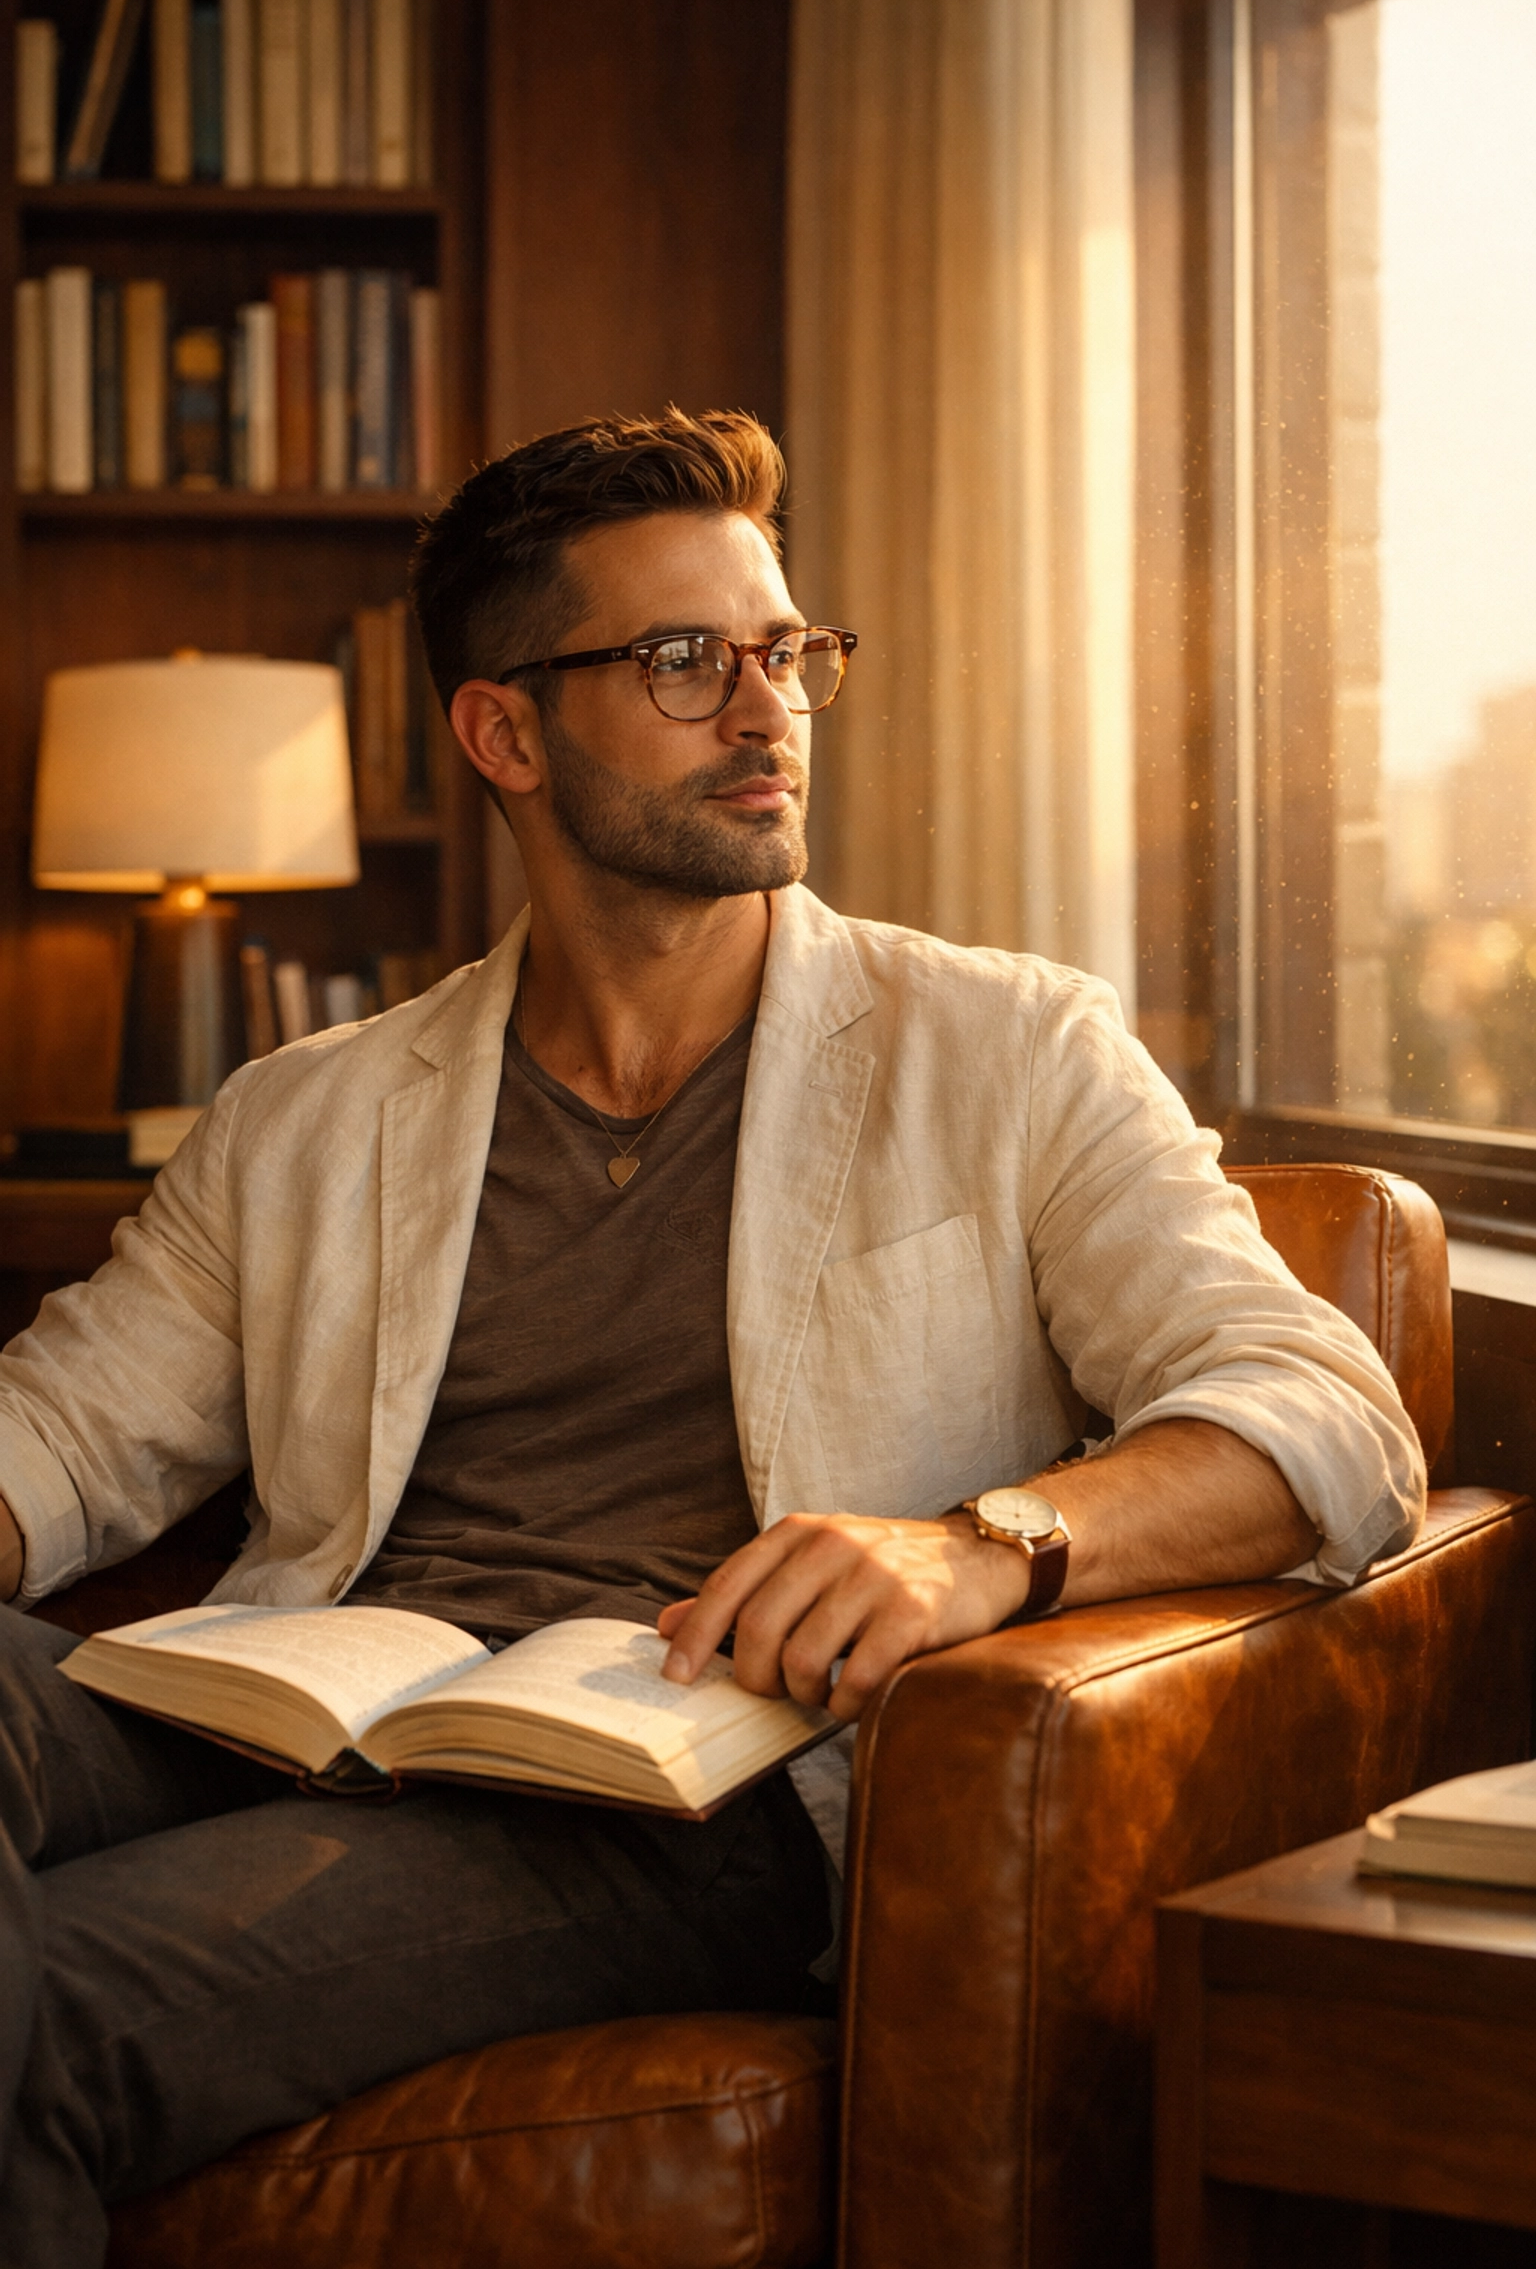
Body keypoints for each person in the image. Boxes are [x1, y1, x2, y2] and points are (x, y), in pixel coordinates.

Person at [0, 410, 1423, 2264]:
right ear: (506, 733)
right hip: (292, 1703)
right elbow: (68, 1432)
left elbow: (1327, 1417)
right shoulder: (309, 1114)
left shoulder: (1008, 1051)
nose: (768, 712)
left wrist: (983, 1545)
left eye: (785, 649)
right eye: (685, 661)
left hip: (670, 1789)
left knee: (51, 2011)